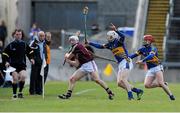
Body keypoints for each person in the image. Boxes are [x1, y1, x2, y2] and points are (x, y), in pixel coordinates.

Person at [88, 23, 143, 100]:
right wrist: (90, 43)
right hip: (121, 64)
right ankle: (138, 91)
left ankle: (130, 96)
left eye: (109, 36)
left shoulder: (118, 42)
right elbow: (100, 46)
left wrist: (116, 30)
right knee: (119, 83)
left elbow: (123, 36)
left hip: (126, 61)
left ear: (113, 36)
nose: (108, 37)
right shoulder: (109, 45)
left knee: (123, 79)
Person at [58, 34, 114, 100]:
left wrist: (66, 56)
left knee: (97, 80)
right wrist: (68, 61)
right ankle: (68, 95)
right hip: (84, 66)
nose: (71, 42)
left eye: (72, 40)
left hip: (90, 64)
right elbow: (76, 64)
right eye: (70, 41)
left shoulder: (77, 46)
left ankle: (109, 92)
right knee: (72, 79)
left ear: (77, 41)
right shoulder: (75, 50)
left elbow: (68, 56)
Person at [129, 35, 175, 100]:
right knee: (147, 85)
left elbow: (151, 56)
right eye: (145, 40)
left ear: (150, 41)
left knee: (161, 82)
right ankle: (162, 84)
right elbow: (134, 55)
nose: (145, 41)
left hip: (157, 67)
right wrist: (126, 58)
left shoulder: (154, 48)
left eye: (146, 40)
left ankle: (171, 96)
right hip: (150, 69)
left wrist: (142, 61)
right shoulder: (142, 49)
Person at [2, 29, 34, 99]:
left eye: (20, 34)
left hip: (22, 65)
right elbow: (5, 54)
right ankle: (14, 94)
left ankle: (20, 92)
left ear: (21, 35)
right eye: (17, 34)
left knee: (23, 77)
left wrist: (31, 58)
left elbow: (30, 52)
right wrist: (6, 62)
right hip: (13, 66)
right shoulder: (11, 45)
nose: (18, 36)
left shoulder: (24, 44)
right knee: (15, 78)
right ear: (14, 35)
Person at [29, 31, 47, 95]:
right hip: (35, 62)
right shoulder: (33, 43)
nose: (42, 37)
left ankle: (38, 91)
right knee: (33, 77)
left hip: (42, 62)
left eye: (43, 36)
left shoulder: (45, 42)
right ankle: (32, 91)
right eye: (40, 36)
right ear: (38, 36)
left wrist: (45, 59)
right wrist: (32, 59)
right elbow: (29, 52)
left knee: (40, 77)